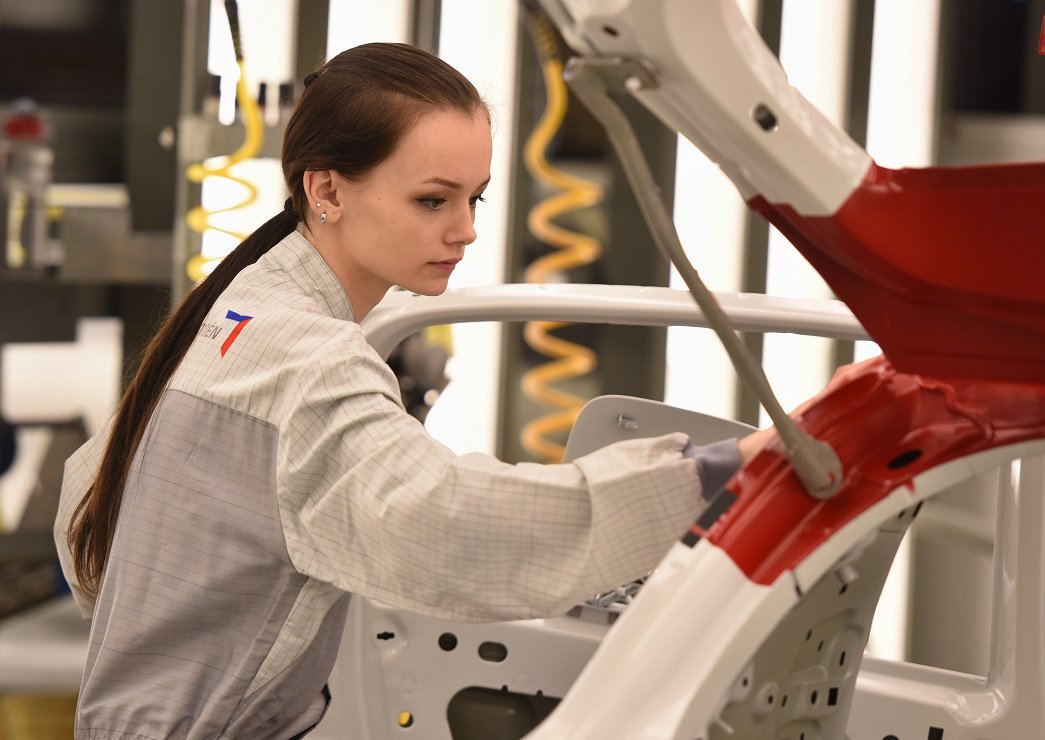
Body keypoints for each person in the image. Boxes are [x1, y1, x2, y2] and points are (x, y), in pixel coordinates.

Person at [54, 42, 773, 739]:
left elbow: (84, 511)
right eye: (433, 200)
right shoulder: (313, 361)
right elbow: (455, 525)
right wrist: (714, 474)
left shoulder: (238, 309)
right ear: (326, 190)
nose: (466, 230)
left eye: (474, 198)